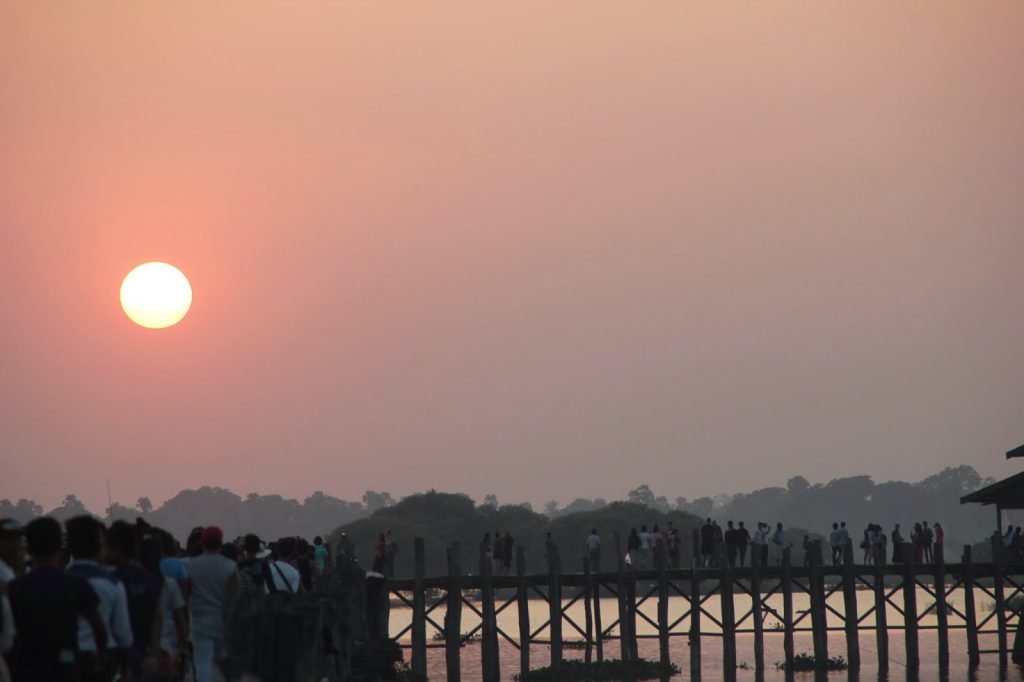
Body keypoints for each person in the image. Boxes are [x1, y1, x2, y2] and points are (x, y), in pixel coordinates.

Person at [8, 517, 108, 682]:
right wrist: (101, 656)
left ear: (28, 548)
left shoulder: (15, 588)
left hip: (25, 669)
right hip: (65, 667)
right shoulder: (76, 584)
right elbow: (98, 627)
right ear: (59, 548)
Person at [65, 516, 133, 682]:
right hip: (103, 659)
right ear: (99, 546)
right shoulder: (112, 584)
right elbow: (122, 635)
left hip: (66, 659)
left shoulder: (58, 582)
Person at [106, 521, 164, 680]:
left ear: (117, 549)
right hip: (143, 653)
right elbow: (157, 618)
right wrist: (153, 654)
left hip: (115, 654)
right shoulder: (150, 580)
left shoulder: (111, 580)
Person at [188, 526, 238, 682]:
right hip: (222, 619)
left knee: (202, 661)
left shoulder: (191, 565)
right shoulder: (230, 566)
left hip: (200, 619)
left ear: (203, 543)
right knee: (223, 660)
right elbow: (234, 597)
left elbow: (187, 593)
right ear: (220, 543)